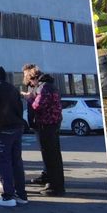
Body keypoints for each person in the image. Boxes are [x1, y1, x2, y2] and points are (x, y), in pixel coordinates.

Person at [0, 66, 28, 207]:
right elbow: (20, 107)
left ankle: (8, 195)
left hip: (2, 130)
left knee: (4, 163)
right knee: (16, 162)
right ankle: (21, 194)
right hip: (17, 127)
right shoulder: (12, 88)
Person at [24, 66, 65, 196]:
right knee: (53, 156)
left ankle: (55, 187)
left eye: (30, 82)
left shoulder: (44, 87)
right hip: (51, 124)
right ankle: (52, 182)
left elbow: (38, 105)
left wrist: (29, 98)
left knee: (51, 156)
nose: (31, 84)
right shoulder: (49, 85)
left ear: (34, 78)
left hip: (47, 125)